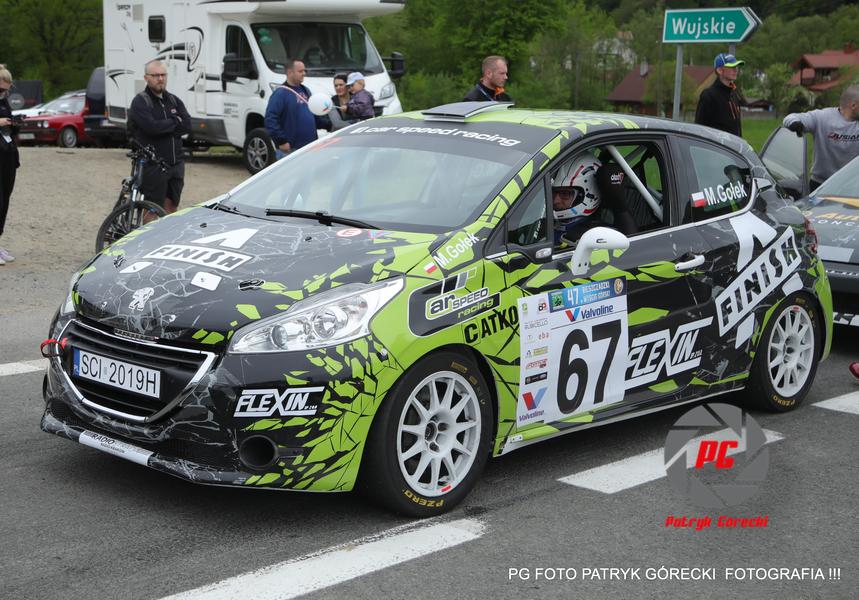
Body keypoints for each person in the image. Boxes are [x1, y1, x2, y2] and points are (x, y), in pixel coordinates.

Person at [127, 59, 191, 216]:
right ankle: (147, 233)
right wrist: (175, 121)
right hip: (153, 164)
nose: (160, 79)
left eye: (163, 75)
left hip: (176, 164)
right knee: (152, 210)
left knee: (171, 207)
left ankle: (165, 233)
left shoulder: (174, 100)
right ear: (146, 78)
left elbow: (187, 125)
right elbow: (152, 128)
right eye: (155, 75)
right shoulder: (141, 102)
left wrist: (164, 126)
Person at [783, 85, 859, 191]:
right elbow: (790, 118)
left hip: (852, 186)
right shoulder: (822, 117)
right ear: (854, 105)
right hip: (821, 185)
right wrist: (795, 124)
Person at [552, 151, 636, 247]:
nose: (555, 201)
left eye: (565, 194)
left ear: (590, 193)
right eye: (554, 193)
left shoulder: (601, 237)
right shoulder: (547, 223)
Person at [264, 59, 320, 159]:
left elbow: (314, 114)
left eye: (304, 71)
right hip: (291, 149)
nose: (304, 73)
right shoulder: (280, 93)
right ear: (290, 72)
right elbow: (270, 119)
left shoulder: (306, 90)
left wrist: (329, 124)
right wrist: (281, 141)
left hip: (310, 147)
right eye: (300, 71)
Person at [695, 53, 745, 136]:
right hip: (716, 144)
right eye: (731, 67)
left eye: (736, 67)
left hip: (734, 143)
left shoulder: (734, 94)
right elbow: (700, 127)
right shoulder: (708, 95)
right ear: (719, 70)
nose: (735, 70)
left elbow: (737, 127)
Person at [0, 64, 20, 265]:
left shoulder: (4, 101)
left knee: (4, 200)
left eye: (6, 89)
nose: (3, 93)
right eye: (0, 89)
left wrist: (14, 124)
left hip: (8, 156)